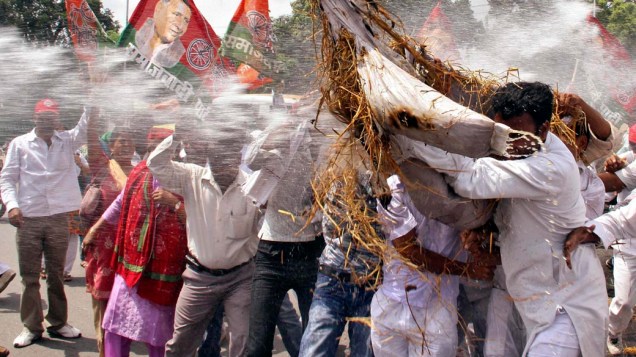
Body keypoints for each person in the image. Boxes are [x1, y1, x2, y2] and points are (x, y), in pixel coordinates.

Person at [410, 82, 608, 356]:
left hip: (566, 304)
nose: (507, 141)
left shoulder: (552, 168)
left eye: (516, 133)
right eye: (500, 131)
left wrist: (410, 135)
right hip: (536, 300)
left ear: (544, 129)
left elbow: (472, 179)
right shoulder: (523, 152)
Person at [146, 130, 261, 357]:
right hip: (199, 278)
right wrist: (178, 134)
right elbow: (156, 164)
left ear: (238, 158)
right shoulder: (192, 177)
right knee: (180, 343)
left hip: (241, 278)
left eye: (228, 156)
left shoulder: (251, 187)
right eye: (217, 156)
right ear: (210, 156)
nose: (223, 163)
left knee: (243, 342)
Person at [86, 126, 188, 357]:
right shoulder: (139, 171)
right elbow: (121, 203)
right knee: (116, 325)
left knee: (157, 331)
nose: (155, 155)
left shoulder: (184, 174)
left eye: (161, 150)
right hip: (130, 264)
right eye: (151, 149)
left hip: (163, 268)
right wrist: (96, 228)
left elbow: (197, 216)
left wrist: (175, 203)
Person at [370, 175, 495, 356]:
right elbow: (409, 250)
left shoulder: (463, 186)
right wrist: (468, 270)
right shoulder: (392, 187)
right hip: (392, 305)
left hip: (436, 313)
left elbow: (478, 231)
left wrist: (475, 236)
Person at [0, 98, 88, 348]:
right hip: (28, 219)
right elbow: (7, 179)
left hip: (59, 218)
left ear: (57, 119)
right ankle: (31, 326)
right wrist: (13, 205)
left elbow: (87, 123)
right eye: (43, 116)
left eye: (52, 117)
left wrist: (93, 90)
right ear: (34, 118)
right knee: (29, 277)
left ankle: (59, 323)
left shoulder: (68, 141)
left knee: (56, 275)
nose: (47, 120)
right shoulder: (19, 144)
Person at [246, 119, 323, 357]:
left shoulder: (323, 154)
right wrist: (277, 131)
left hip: (310, 252)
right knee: (258, 342)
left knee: (316, 340)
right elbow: (250, 160)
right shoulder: (278, 151)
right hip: (271, 254)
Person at [298, 140, 382, 357]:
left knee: (366, 352)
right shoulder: (336, 170)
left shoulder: (388, 176)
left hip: (371, 283)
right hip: (332, 279)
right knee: (314, 351)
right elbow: (321, 219)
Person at [83, 121, 135, 357]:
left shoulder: (140, 171)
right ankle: (104, 348)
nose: (126, 144)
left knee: (125, 298)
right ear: (110, 146)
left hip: (130, 246)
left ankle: (120, 344)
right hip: (104, 246)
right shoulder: (103, 166)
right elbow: (91, 135)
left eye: (129, 141)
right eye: (120, 140)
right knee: (103, 298)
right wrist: (94, 100)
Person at [566, 192, 636, 355]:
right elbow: (620, 220)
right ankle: (613, 334)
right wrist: (587, 233)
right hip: (631, 251)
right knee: (625, 302)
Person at [134, 0, 191, 68]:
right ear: (159, 8)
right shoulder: (136, 30)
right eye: (177, 14)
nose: (180, 26)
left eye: (186, 21)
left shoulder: (178, 56)